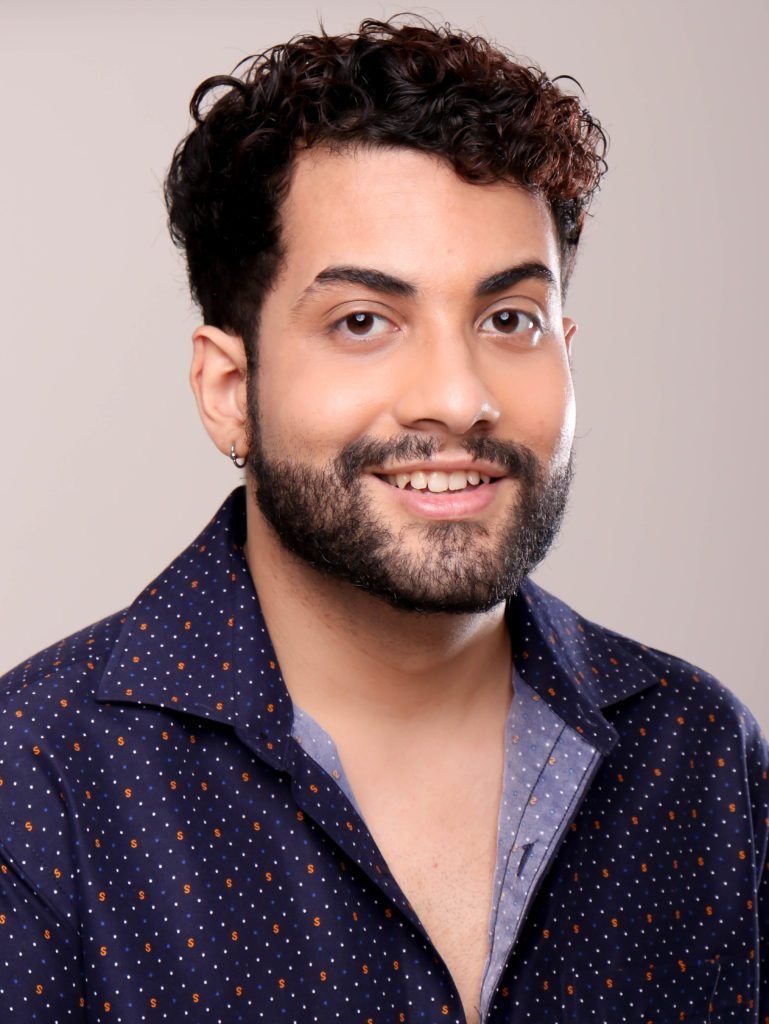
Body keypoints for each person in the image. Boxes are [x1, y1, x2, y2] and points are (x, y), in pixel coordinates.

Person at [0, 16, 766, 1024]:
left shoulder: (698, 752)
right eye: (363, 321)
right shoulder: (36, 784)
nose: (457, 397)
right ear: (229, 390)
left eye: (509, 320)